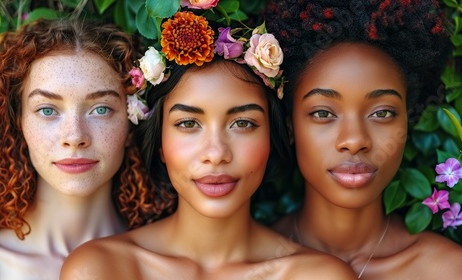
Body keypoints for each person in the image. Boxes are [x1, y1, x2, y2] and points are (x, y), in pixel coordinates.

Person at [59, 7, 357, 280]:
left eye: (242, 124)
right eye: (188, 124)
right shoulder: (100, 270)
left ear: (274, 135)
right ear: (160, 142)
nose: (216, 154)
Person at [0, 19, 174, 279]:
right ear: (18, 122)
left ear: (132, 120)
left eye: (101, 109)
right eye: (47, 110)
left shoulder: (171, 267)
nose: (75, 137)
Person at [265, 0, 462, 279]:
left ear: (407, 119)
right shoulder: (249, 267)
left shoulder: (449, 270)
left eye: (382, 112)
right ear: (291, 126)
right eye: (323, 112)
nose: (355, 140)